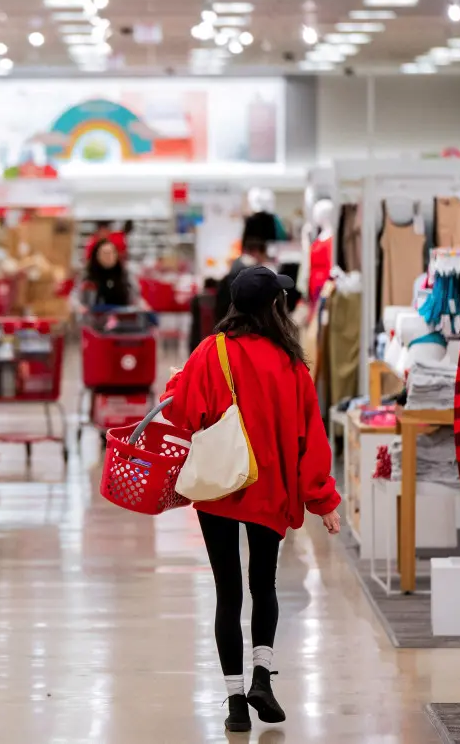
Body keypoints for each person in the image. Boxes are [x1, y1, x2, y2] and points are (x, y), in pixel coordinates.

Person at [163, 265, 341, 734]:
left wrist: (174, 383)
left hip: (219, 489)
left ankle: (236, 700)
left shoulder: (210, 352)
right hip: (270, 490)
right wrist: (323, 501)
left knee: (228, 592)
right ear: (274, 306)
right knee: (264, 586)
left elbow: (184, 413)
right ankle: (263, 675)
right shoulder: (291, 363)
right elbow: (311, 440)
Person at [214, 236, 269, 324]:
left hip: (227, 317)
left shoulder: (236, 265)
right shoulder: (252, 270)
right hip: (242, 320)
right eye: (264, 256)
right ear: (256, 252)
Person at [80, 238, 135, 308]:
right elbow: (77, 300)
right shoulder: (88, 276)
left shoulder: (125, 275)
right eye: (105, 253)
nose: (109, 256)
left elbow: (136, 299)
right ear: (97, 256)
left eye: (112, 253)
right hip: (94, 316)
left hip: (122, 315)